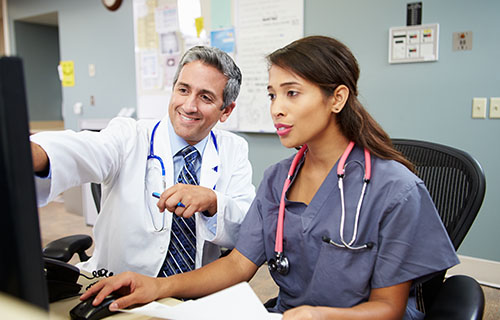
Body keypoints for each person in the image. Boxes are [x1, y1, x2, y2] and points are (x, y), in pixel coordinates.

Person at [81, 36, 459, 319]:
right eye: (272, 95)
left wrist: (318, 315)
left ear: (337, 99)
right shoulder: (279, 179)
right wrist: (157, 287)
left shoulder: (396, 189)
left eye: (292, 94)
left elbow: (388, 309)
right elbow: (237, 265)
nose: (277, 109)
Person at [31, 46, 256, 278]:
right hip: (120, 285)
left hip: (193, 291)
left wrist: (213, 202)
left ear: (226, 110)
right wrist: (33, 153)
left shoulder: (233, 149)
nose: (189, 106)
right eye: (183, 90)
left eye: (205, 97)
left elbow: (245, 226)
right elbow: (82, 150)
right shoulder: (129, 134)